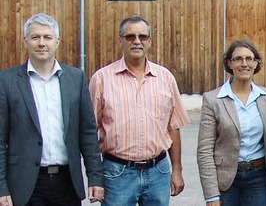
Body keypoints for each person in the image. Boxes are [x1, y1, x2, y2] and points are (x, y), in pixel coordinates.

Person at [0, 13, 104, 206]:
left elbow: (88, 132)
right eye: (35, 37)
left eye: (47, 37)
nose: (41, 43)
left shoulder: (75, 78)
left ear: (57, 41)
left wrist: (95, 177)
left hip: (67, 182)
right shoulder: (7, 81)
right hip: (25, 184)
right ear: (25, 41)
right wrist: (1, 187)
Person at [89, 15, 190, 206]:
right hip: (117, 173)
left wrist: (176, 170)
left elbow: (173, 127)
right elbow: (89, 131)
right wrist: (95, 178)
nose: (137, 41)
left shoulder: (165, 77)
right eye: (130, 37)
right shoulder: (102, 79)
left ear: (149, 41)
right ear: (120, 40)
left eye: (142, 37)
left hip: (158, 172)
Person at [196, 38, 266, 206]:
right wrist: (211, 195)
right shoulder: (213, 100)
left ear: (256, 63)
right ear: (229, 64)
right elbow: (204, 152)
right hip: (226, 181)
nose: (244, 64)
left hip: (258, 178)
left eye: (249, 59)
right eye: (238, 59)